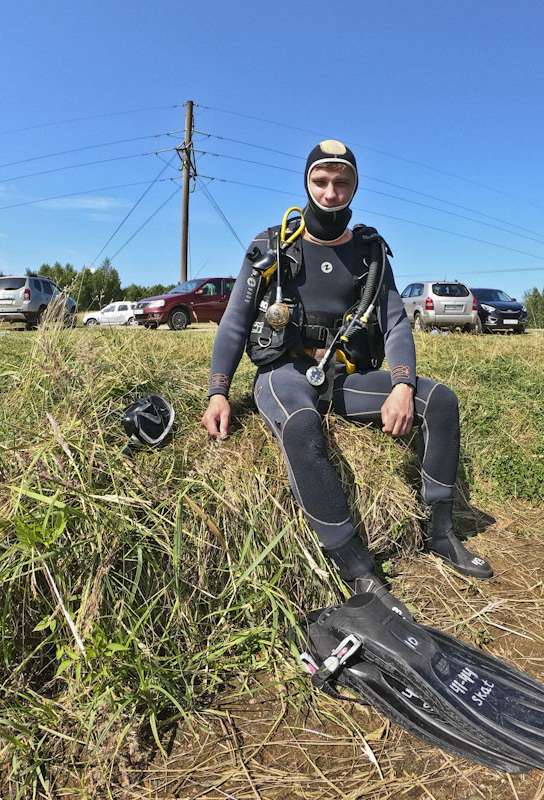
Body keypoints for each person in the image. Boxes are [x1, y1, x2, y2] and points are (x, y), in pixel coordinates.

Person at [201, 140, 492, 617]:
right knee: (301, 427)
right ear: (306, 183)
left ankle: (441, 532)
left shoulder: (369, 252)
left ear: (354, 186)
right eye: (321, 181)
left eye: (342, 182)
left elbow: (396, 322)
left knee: (439, 401)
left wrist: (401, 384)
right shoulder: (273, 246)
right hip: (285, 373)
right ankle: (357, 567)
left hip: (343, 376)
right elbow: (234, 322)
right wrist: (219, 392)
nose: (331, 192)